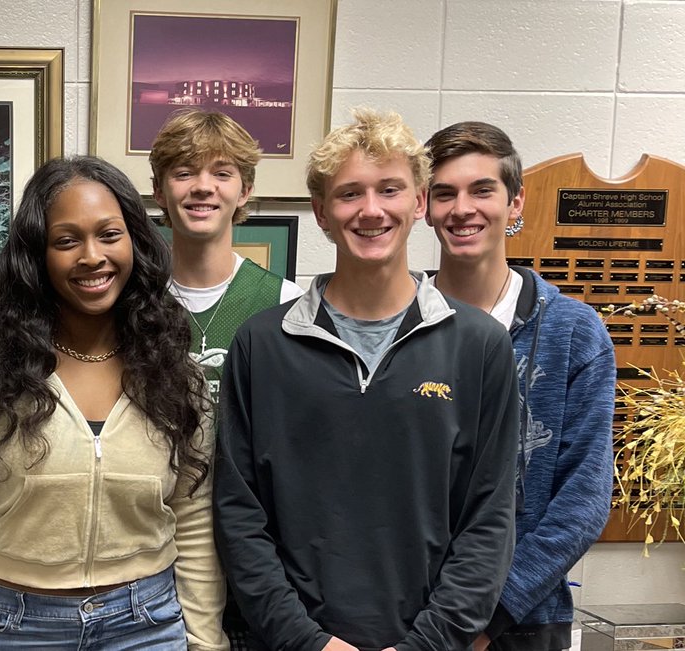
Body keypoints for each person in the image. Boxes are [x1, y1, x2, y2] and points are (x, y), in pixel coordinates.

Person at [214, 108, 520, 651]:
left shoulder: (478, 346)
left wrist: (428, 642)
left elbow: (489, 519)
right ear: (321, 213)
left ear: (419, 202)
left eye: (391, 189)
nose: (371, 210)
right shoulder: (261, 345)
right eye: (350, 193)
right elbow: (239, 515)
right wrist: (306, 641)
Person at [0, 156, 228, 650]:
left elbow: (192, 518)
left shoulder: (175, 370)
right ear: (37, 255)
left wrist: (206, 640)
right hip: (9, 626)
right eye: (66, 240)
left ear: (136, 243)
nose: (92, 256)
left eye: (109, 234)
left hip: (146, 624)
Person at [425, 121, 615, 651]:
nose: (463, 209)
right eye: (445, 193)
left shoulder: (573, 332)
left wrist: (491, 615)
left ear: (515, 204)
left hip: (523, 620)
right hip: (409, 618)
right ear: (425, 207)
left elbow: (584, 499)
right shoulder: (397, 323)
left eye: (482, 190)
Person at [149, 109, 303, 404]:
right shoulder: (137, 297)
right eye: (184, 173)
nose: (203, 187)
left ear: (244, 190)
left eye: (221, 174)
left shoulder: (285, 301)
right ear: (159, 190)